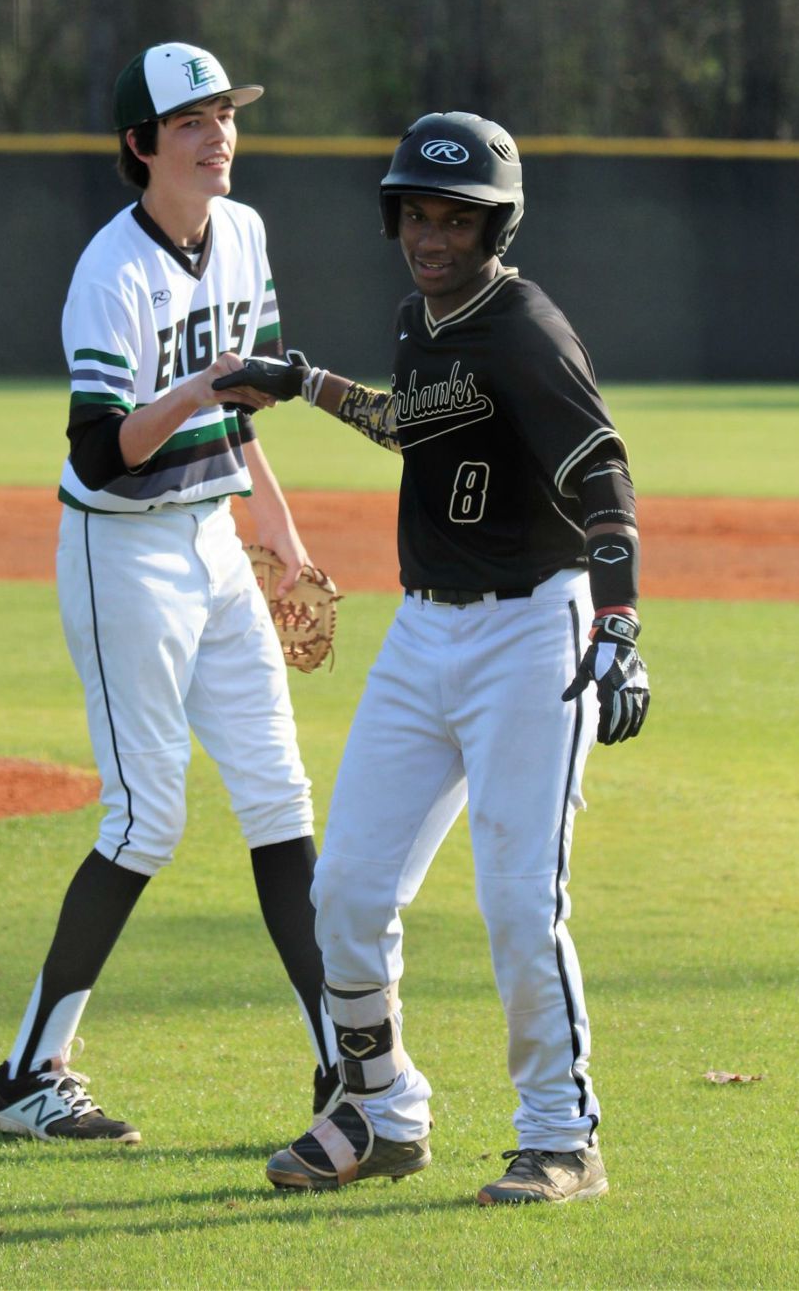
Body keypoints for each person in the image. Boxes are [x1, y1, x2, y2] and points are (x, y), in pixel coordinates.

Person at [261, 112, 649, 1202]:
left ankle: (562, 1133)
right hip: (423, 629)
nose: (431, 236)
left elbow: (603, 478)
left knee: (520, 899)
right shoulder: (417, 322)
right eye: (417, 214)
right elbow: (409, 423)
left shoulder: (525, 328)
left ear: (494, 226)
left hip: (535, 631)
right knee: (345, 890)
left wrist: (619, 626)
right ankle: (381, 1111)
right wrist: (301, 383)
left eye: (455, 218)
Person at [0, 42, 339, 1142]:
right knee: (146, 817)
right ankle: (27, 1077)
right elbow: (102, 455)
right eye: (190, 121)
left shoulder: (244, 234)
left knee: (282, 800)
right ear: (142, 146)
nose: (217, 135)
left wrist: (274, 528)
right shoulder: (111, 273)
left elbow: (245, 408)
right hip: (120, 550)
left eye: (225, 114)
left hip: (215, 540)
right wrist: (194, 388)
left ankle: (347, 1067)